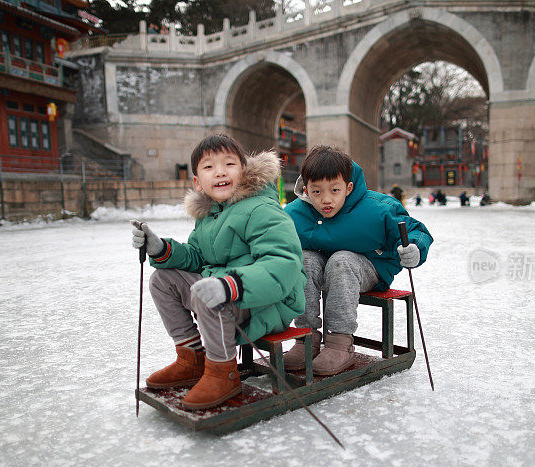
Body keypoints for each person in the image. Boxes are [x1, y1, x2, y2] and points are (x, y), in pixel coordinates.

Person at [131, 134, 306, 409]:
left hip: (267, 302)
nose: (220, 171)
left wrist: (229, 286)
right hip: (229, 294)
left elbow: (282, 266)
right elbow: (197, 257)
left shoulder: (262, 209)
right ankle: (192, 357)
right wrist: (160, 249)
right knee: (163, 279)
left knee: (208, 291)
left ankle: (223, 371)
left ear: (244, 170)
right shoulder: (210, 216)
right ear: (198, 182)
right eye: (209, 167)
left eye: (229, 163)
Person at [283, 146, 433, 375]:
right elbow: (271, 239)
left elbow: (416, 230)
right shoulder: (295, 213)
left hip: (367, 266)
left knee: (341, 260)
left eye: (335, 190)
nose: (326, 200)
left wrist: (415, 247)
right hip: (322, 267)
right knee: (304, 260)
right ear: (305, 189)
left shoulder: (377, 208)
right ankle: (306, 339)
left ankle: (340, 343)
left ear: (348, 187)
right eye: (316, 192)